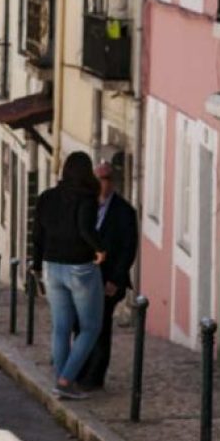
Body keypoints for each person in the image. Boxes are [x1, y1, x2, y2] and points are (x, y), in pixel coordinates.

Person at [33, 151, 106, 400]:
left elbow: (38, 235)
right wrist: (100, 249)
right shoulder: (86, 198)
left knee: (61, 327)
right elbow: (85, 228)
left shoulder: (46, 197)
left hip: (52, 266)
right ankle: (66, 379)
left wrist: (36, 266)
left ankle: (60, 381)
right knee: (91, 327)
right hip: (80, 267)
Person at [77, 160, 138, 390]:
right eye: (99, 179)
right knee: (80, 324)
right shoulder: (85, 205)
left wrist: (115, 279)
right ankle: (80, 370)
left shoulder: (124, 212)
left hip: (107, 280)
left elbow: (128, 249)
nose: (103, 184)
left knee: (101, 327)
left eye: (106, 179)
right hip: (82, 277)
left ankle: (95, 376)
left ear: (113, 182)